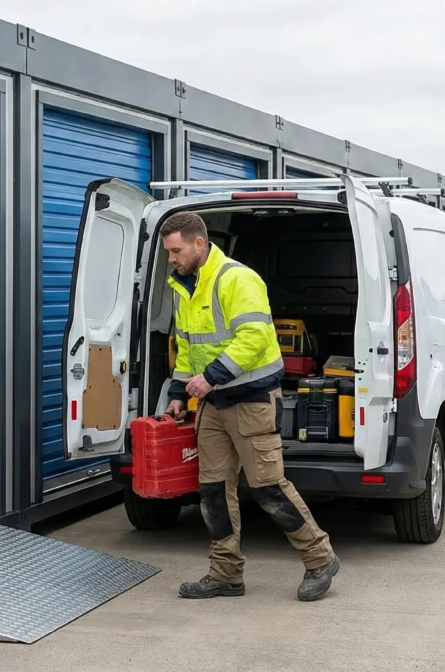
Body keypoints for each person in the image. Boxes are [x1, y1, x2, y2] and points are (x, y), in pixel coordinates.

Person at [160, 211, 339, 602]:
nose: (171, 260)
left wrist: (209, 377)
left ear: (198, 244)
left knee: (269, 489)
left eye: (175, 251)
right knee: (212, 491)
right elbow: (188, 346)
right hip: (212, 405)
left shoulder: (237, 279)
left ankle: (320, 558)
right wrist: (178, 392)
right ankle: (225, 575)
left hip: (251, 402)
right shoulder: (184, 287)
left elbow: (255, 337)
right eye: (168, 253)